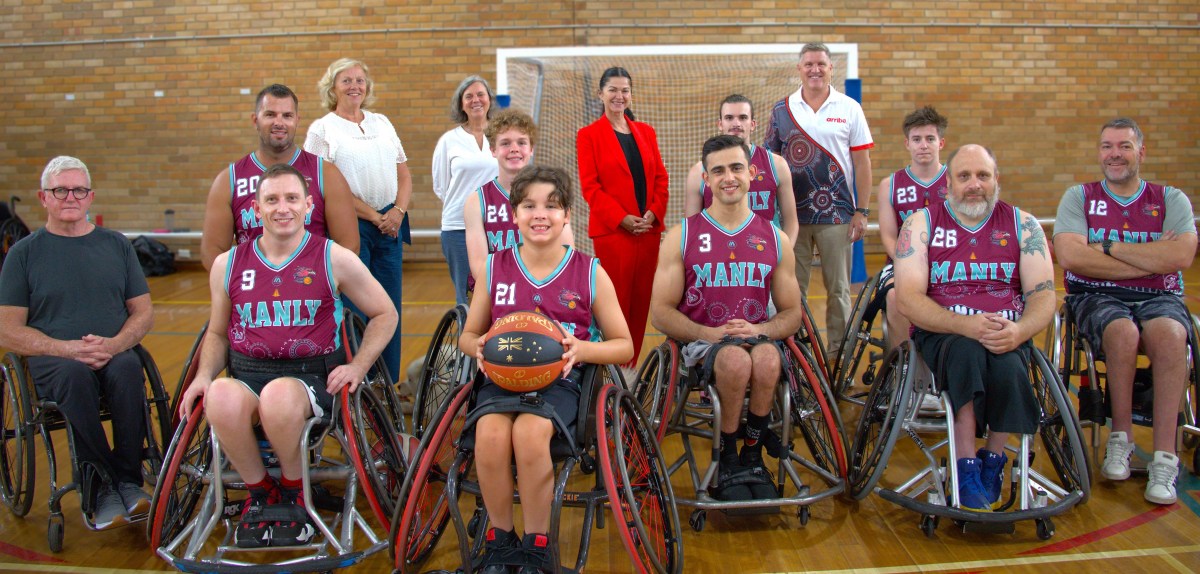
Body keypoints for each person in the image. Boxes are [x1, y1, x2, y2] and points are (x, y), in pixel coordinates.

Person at [178, 164, 397, 548]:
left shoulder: (334, 257)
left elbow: (385, 313)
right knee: (221, 397)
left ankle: (296, 492)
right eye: (272, 200)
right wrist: (204, 375)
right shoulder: (226, 264)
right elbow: (216, 332)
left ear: (309, 206)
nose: (283, 208)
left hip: (311, 377)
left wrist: (358, 364)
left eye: (292, 199)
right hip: (247, 372)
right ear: (255, 209)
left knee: (278, 396)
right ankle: (261, 492)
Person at [460, 166, 633, 573]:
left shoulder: (589, 271)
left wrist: (584, 348)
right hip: (501, 379)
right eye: (529, 205)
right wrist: (479, 346)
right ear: (514, 214)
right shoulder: (494, 267)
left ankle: (538, 544)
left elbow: (623, 344)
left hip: (562, 382)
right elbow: (467, 335)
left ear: (567, 215)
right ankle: (500, 541)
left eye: (551, 206)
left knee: (531, 431)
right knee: (489, 432)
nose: (541, 214)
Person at [893, 144, 1055, 511]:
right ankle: (965, 463)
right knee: (966, 353)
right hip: (945, 332)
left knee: (1010, 362)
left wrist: (1021, 330)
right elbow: (908, 298)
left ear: (997, 180)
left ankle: (993, 459)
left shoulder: (1023, 224)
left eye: (982, 175)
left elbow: (1044, 295)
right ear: (948, 183)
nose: (974, 184)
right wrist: (963, 324)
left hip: (1006, 330)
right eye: (964, 176)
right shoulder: (921, 223)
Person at [0, 156, 153, 530]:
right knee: (75, 375)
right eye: (60, 190)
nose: (71, 196)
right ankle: (100, 487)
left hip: (111, 349)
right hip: (54, 358)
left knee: (129, 368)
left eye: (79, 190)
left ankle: (129, 481)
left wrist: (114, 344)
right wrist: (68, 348)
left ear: (90, 196)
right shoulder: (24, 254)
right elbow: (6, 328)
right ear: (43, 197)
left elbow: (143, 313)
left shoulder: (116, 245)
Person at [1052, 118, 1197, 505]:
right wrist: (1153, 259)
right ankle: (1121, 437)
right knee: (1123, 332)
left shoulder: (1170, 199)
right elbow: (1069, 256)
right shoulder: (1079, 197)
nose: (1114, 154)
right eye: (1107, 147)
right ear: (1099, 152)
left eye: (1124, 146)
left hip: (1159, 298)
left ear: (1140, 152)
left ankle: (1165, 458)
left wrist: (1107, 247)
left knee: (1170, 334)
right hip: (1097, 296)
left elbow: (1182, 255)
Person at [651, 135, 802, 501]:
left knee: (767, 359)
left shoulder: (775, 238)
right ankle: (728, 457)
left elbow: (793, 314)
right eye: (717, 171)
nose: (728, 177)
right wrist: (707, 332)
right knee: (734, 361)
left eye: (736, 168)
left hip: (757, 335)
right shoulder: (681, 236)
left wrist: (761, 329)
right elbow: (659, 313)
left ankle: (752, 453)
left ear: (751, 173)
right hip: (703, 342)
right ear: (706, 179)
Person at [304, 58, 411, 383]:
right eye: (346, 80)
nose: (354, 86)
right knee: (356, 307)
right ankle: (359, 383)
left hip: (390, 226)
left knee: (390, 306)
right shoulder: (322, 128)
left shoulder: (382, 122)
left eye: (360, 80)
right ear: (332, 87)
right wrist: (375, 215)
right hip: (351, 227)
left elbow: (404, 176)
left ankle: (388, 384)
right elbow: (321, 185)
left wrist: (397, 212)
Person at [764, 42, 874, 354]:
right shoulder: (781, 110)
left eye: (821, 64)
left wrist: (862, 210)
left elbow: (863, 163)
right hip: (793, 217)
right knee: (792, 290)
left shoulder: (849, 108)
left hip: (838, 215)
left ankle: (838, 354)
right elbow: (770, 163)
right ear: (799, 69)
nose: (815, 69)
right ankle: (800, 357)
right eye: (809, 64)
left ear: (830, 68)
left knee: (838, 290)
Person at [201, 84, 359, 271]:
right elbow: (212, 251)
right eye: (270, 115)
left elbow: (349, 245)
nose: (279, 122)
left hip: (310, 285)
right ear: (255, 120)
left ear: (297, 120)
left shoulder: (326, 173)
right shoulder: (229, 180)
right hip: (255, 290)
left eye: (287, 115)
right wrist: (242, 285)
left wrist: (317, 280)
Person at [576, 66, 669, 369]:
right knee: (614, 307)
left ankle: (630, 372)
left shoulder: (647, 131)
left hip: (648, 232)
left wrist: (653, 213)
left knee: (640, 305)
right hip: (614, 233)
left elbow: (661, 180)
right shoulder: (588, 135)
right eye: (613, 90)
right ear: (600, 94)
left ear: (631, 94)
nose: (619, 95)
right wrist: (622, 218)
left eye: (625, 90)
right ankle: (609, 372)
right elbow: (591, 188)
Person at [463, 109, 573, 290]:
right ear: (493, 150)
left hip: (546, 287)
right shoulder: (477, 201)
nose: (514, 148)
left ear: (531, 149)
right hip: (496, 291)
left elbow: (567, 251)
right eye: (505, 143)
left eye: (521, 142)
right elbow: (479, 266)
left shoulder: (553, 195)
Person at [877, 106, 949, 350]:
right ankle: (903, 364)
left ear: (941, 143)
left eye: (930, 139)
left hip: (947, 264)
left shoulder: (956, 181)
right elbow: (888, 236)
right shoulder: (890, 184)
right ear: (907, 143)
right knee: (896, 297)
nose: (923, 145)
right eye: (917, 139)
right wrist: (908, 263)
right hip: (901, 264)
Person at [684, 94, 798, 245]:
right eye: (729, 117)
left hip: (765, 253)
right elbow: (692, 227)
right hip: (718, 256)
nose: (736, 123)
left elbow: (791, 222)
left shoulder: (776, 164)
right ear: (720, 124)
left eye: (743, 117)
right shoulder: (699, 171)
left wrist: (783, 254)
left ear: (753, 124)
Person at [433, 75, 499, 305]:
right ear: (461, 104)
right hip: (458, 228)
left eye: (480, 94)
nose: (475, 100)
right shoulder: (448, 141)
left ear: (489, 99)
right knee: (469, 296)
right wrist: (468, 208)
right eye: (468, 96)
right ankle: (469, 341)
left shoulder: (504, 136)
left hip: (499, 227)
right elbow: (441, 186)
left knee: (502, 292)